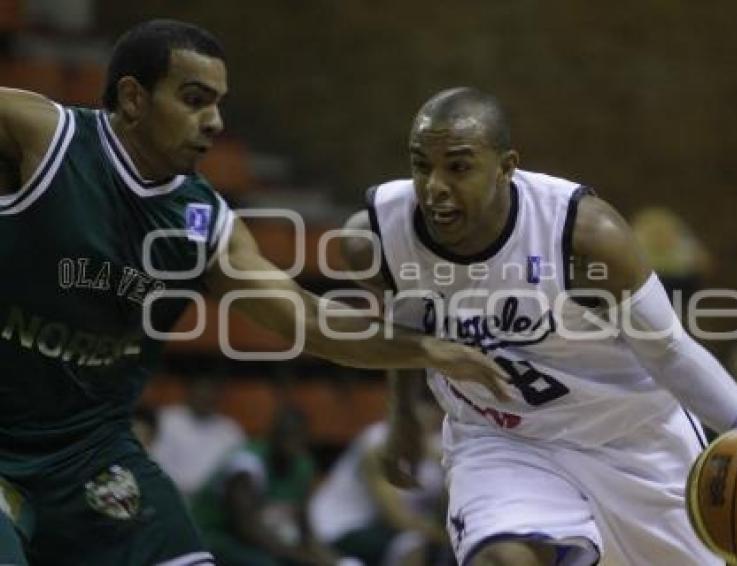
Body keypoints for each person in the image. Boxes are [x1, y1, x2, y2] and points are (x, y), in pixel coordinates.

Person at [0, 22, 508, 565]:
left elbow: (310, 322)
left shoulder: (206, 225)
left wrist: (427, 348)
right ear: (132, 98)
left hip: (89, 454)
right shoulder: (45, 137)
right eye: (195, 100)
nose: (214, 121)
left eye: (218, 104)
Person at [340, 87, 737, 565]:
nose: (434, 185)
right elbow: (408, 319)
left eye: (457, 167)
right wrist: (403, 415)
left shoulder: (583, 237)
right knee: (500, 559)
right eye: (421, 165)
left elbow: (668, 350)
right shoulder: (376, 238)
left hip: (630, 439)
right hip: (503, 442)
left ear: (506, 167)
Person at [309, 376, 451, 566]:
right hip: (344, 526)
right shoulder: (377, 443)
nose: (430, 412)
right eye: (423, 404)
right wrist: (443, 537)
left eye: (435, 406)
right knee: (413, 545)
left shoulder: (441, 446)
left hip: (389, 528)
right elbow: (394, 516)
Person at [192, 408, 337, 566]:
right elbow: (247, 529)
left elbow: (304, 526)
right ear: (273, 435)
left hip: (258, 541)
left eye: (298, 435)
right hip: (214, 537)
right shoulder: (246, 464)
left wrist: (330, 559)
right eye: (286, 434)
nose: (291, 441)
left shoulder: (303, 467)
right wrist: (300, 557)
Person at [152, 375, 245, 496]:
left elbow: (237, 471)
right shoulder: (167, 420)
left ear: (218, 397)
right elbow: (154, 462)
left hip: (212, 503)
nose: (205, 398)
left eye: (210, 393)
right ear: (190, 392)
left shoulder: (230, 430)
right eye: (201, 393)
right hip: (169, 495)